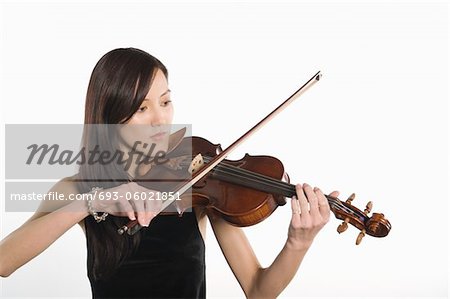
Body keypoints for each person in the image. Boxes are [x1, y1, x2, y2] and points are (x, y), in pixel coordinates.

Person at [0, 47, 339, 298]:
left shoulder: (204, 185)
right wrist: (96, 202)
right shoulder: (80, 189)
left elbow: (257, 289)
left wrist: (298, 242)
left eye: (165, 101)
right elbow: (4, 263)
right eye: (141, 108)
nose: (161, 120)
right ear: (109, 118)